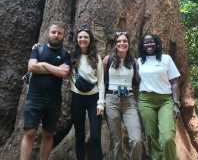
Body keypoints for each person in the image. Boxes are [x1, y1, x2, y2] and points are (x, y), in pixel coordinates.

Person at [20, 22, 71, 160]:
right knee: (29, 132)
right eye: (54, 32)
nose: (56, 35)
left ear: (63, 36)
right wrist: (54, 68)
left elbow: (64, 73)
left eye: (59, 33)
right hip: (34, 98)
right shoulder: (38, 49)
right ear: (48, 33)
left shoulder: (65, 54)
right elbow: (31, 67)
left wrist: (42, 64)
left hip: (54, 100)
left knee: (48, 134)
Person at [137, 34, 181, 160]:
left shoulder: (166, 58)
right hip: (145, 101)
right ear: (142, 45)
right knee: (151, 136)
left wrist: (176, 103)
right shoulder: (139, 61)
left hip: (165, 101)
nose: (149, 44)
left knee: (167, 137)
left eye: (151, 42)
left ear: (156, 43)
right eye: (146, 42)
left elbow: (175, 82)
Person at [103, 31, 143, 160]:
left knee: (136, 139)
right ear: (115, 44)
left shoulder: (134, 62)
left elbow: (138, 82)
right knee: (116, 141)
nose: (122, 43)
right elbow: (101, 81)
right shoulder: (107, 60)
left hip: (129, 101)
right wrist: (101, 101)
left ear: (128, 43)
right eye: (119, 41)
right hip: (111, 100)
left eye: (124, 41)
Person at [70, 24, 104, 160]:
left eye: (85, 37)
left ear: (90, 40)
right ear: (77, 40)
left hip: (94, 99)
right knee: (79, 134)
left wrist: (101, 103)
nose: (82, 39)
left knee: (95, 135)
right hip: (77, 98)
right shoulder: (71, 56)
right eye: (80, 37)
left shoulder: (96, 57)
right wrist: (37, 48)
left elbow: (101, 82)